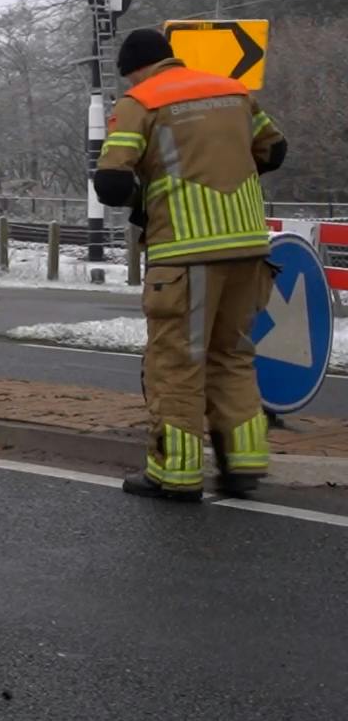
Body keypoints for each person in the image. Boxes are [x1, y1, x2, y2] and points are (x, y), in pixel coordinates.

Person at [94, 27, 287, 501]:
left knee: (177, 364)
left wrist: (147, 190)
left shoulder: (140, 103)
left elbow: (112, 184)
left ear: (133, 70)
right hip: (247, 247)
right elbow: (275, 150)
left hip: (185, 252)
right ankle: (243, 466)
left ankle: (174, 474)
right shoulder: (233, 91)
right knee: (233, 356)